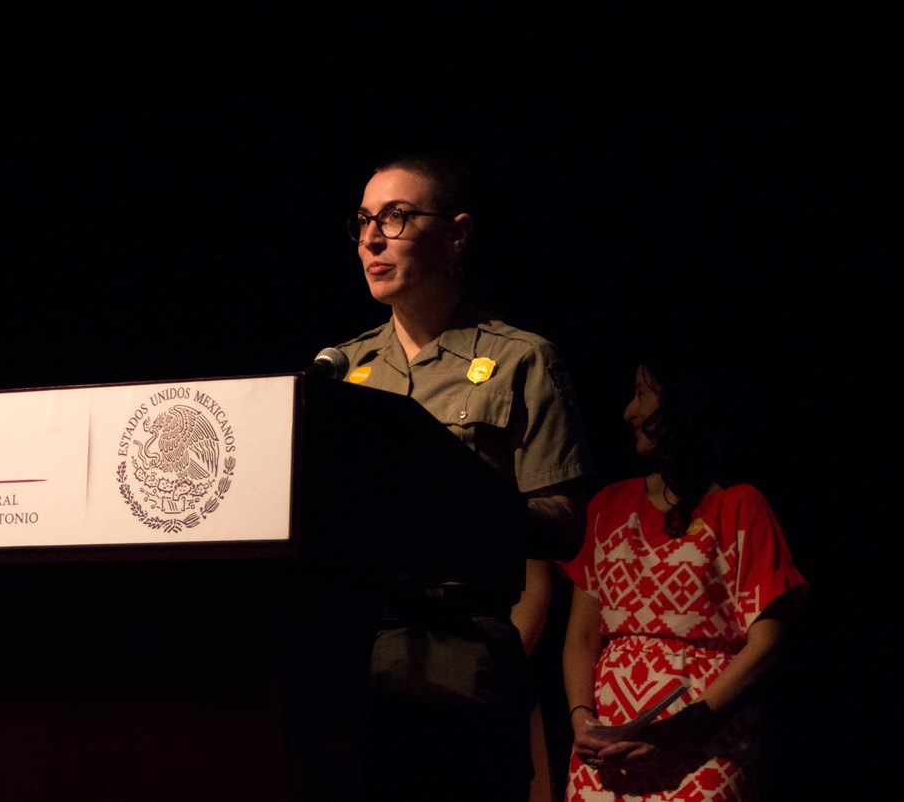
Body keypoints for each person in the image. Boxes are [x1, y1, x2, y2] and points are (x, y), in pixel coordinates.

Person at [329, 151, 595, 801]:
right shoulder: (342, 370)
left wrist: (453, 500)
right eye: (363, 220)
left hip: (460, 655)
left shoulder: (521, 360)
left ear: (456, 234)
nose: (372, 238)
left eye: (396, 216)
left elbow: (563, 526)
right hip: (343, 655)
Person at [560, 343, 809, 800]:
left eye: (641, 394)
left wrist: (683, 730)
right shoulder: (607, 506)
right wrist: (582, 718)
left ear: (680, 402)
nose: (628, 411)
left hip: (706, 745)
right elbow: (581, 635)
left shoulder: (740, 507)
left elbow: (769, 642)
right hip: (607, 753)